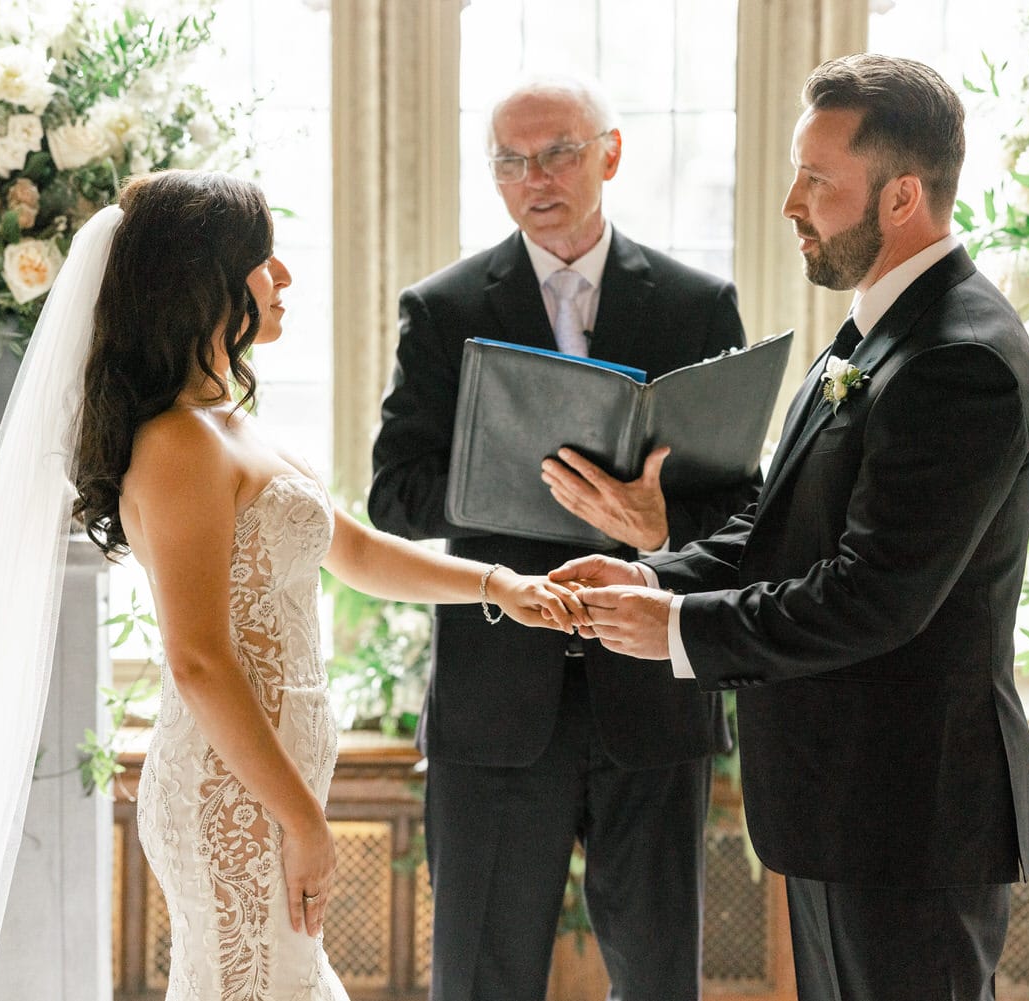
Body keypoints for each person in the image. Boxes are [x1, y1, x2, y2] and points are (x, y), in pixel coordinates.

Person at [0, 170, 580, 1001]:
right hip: (234, 787)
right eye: (263, 260)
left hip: (271, 782)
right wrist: (302, 818)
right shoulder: (179, 446)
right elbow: (198, 660)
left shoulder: (232, 422)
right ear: (204, 286)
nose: (284, 277)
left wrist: (501, 584)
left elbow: (356, 550)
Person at [555, 54, 1029, 1001]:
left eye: (817, 180)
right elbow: (782, 521)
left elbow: (874, 594)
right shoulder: (880, 332)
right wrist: (658, 579)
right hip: (846, 804)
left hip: (910, 814)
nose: (791, 202)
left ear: (903, 195)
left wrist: (676, 633)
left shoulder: (961, 360)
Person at [368, 77, 756, 1001]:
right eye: (510, 159)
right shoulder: (444, 307)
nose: (534, 176)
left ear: (610, 154)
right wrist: (525, 489)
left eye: (559, 152)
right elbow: (393, 495)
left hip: (654, 693)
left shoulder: (698, 305)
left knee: (661, 979)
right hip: (497, 701)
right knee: (480, 980)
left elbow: (745, 507)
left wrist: (656, 525)